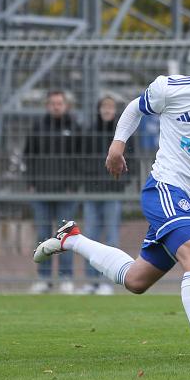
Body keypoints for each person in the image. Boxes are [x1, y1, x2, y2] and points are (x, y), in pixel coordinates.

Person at [33, 32, 190, 363]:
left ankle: (72, 239)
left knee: (136, 280)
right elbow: (134, 109)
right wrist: (117, 145)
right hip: (165, 188)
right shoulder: (171, 89)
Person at [79, 96, 137, 295]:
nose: (107, 110)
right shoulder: (89, 132)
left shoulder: (123, 134)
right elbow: (80, 159)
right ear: (98, 109)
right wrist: (87, 180)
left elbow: (133, 159)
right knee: (91, 237)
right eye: (104, 106)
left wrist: (123, 181)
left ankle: (106, 282)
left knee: (111, 237)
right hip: (92, 192)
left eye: (110, 107)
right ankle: (90, 281)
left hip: (113, 191)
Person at [25, 90, 82, 294]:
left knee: (65, 236)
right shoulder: (38, 127)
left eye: (60, 103)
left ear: (65, 105)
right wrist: (30, 182)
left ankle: (66, 278)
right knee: (42, 235)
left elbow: (80, 157)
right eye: (53, 103)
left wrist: (73, 184)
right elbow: (28, 155)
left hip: (66, 192)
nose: (56, 106)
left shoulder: (74, 126)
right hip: (41, 190)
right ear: (48, 105)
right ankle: (44, 278)